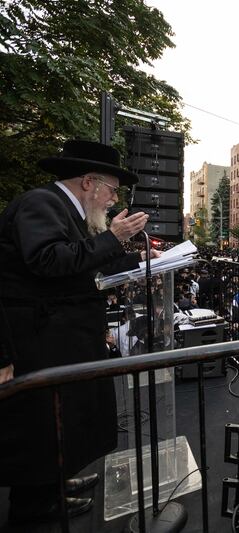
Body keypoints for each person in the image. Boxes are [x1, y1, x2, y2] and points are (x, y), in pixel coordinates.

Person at [0, 140, 156, 524]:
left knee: (58, 422)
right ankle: (36, 506)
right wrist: (114, 237)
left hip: (57, 340)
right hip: (36, 341)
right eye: (112, 190)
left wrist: (135, 258)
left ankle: (53, 483)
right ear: (89, 182)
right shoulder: (41, 204)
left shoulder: (65, 210)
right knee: (39, 426)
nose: (112, 199)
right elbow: (50, 260)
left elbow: (81, 260)